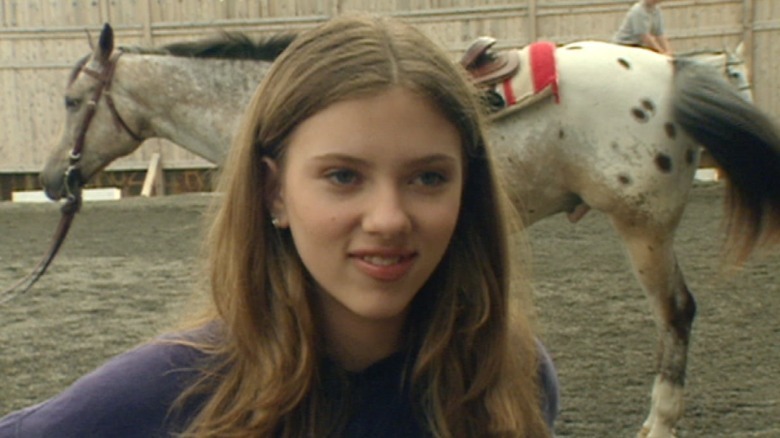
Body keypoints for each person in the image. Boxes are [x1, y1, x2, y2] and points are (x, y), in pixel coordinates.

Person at [0, 14, 559, 437]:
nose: (389, 219)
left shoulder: (511, 377)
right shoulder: (161, 395)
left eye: (429, 178)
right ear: (274, 191)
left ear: (470, 188)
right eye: (343, 176)